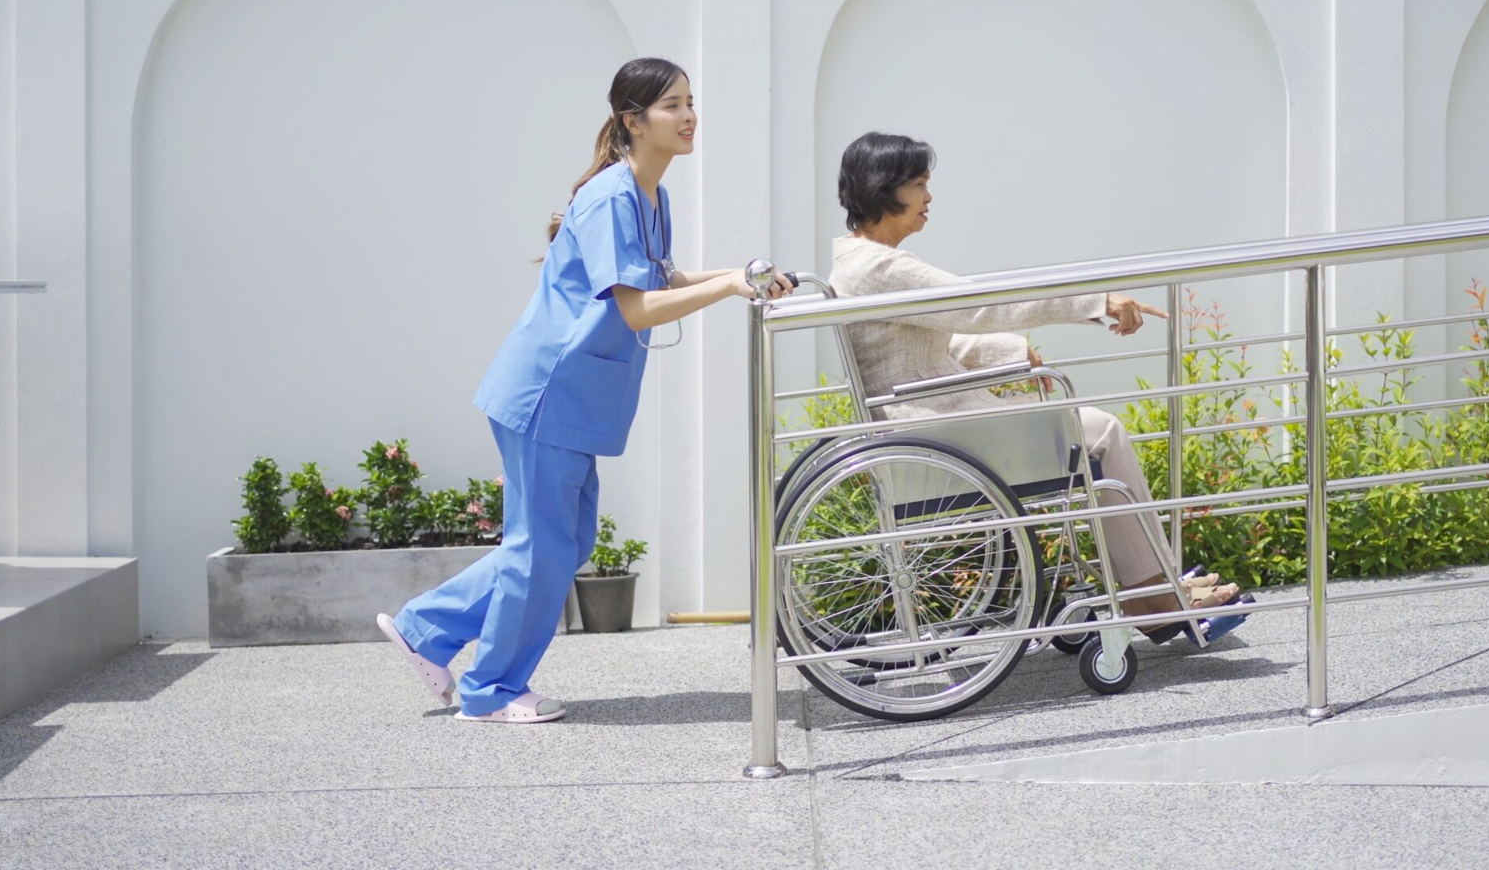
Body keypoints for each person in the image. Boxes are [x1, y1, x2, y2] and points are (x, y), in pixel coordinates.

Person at [376, 58, 793, 724]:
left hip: (574, 399)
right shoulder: (609, 197)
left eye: (691, 103)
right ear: (633, 120)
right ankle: (490, 691)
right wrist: (725, 289)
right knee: (540, 547)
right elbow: (634, 307)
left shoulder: (650, 193)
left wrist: (739, 273)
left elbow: (665, 274)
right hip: (547, 393)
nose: (689, 117)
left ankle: (427, 629)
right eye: (672, 106)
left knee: (564, 545)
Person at [828, 131, 1245, 646]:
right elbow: (977, 305)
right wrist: (1094, 302)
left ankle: (1155, 584)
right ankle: (1152, 596)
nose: (929, 197)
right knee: (1101, 432)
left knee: (1090, 429)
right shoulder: (880, 266)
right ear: (884, 188)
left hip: (932, 427)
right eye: (919, 184)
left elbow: (923, 339)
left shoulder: (861, 263)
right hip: (937, 434)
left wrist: (1011, 351)